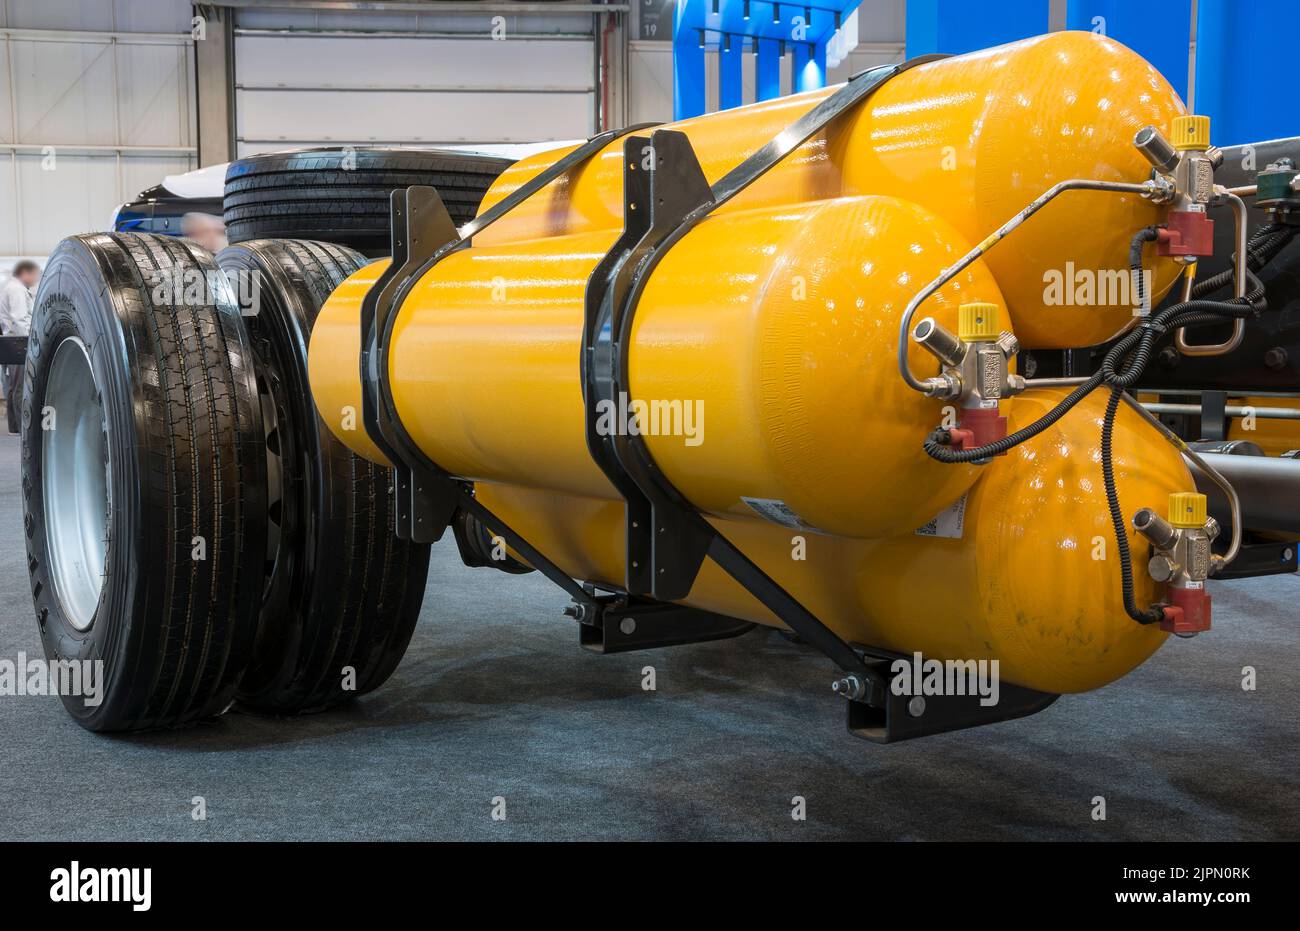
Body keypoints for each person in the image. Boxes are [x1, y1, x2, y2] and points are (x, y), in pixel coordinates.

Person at [0, 260, 40, 434]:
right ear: (25, 272)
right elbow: (20, 320)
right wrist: (30, 345)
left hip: (11, 343)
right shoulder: (16, 289)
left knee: (11, 388)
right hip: (18, 343)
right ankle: (21, 431)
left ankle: (14, 429)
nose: (36, 278)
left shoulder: (12, 287)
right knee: (19, 389)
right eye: (35, 274)